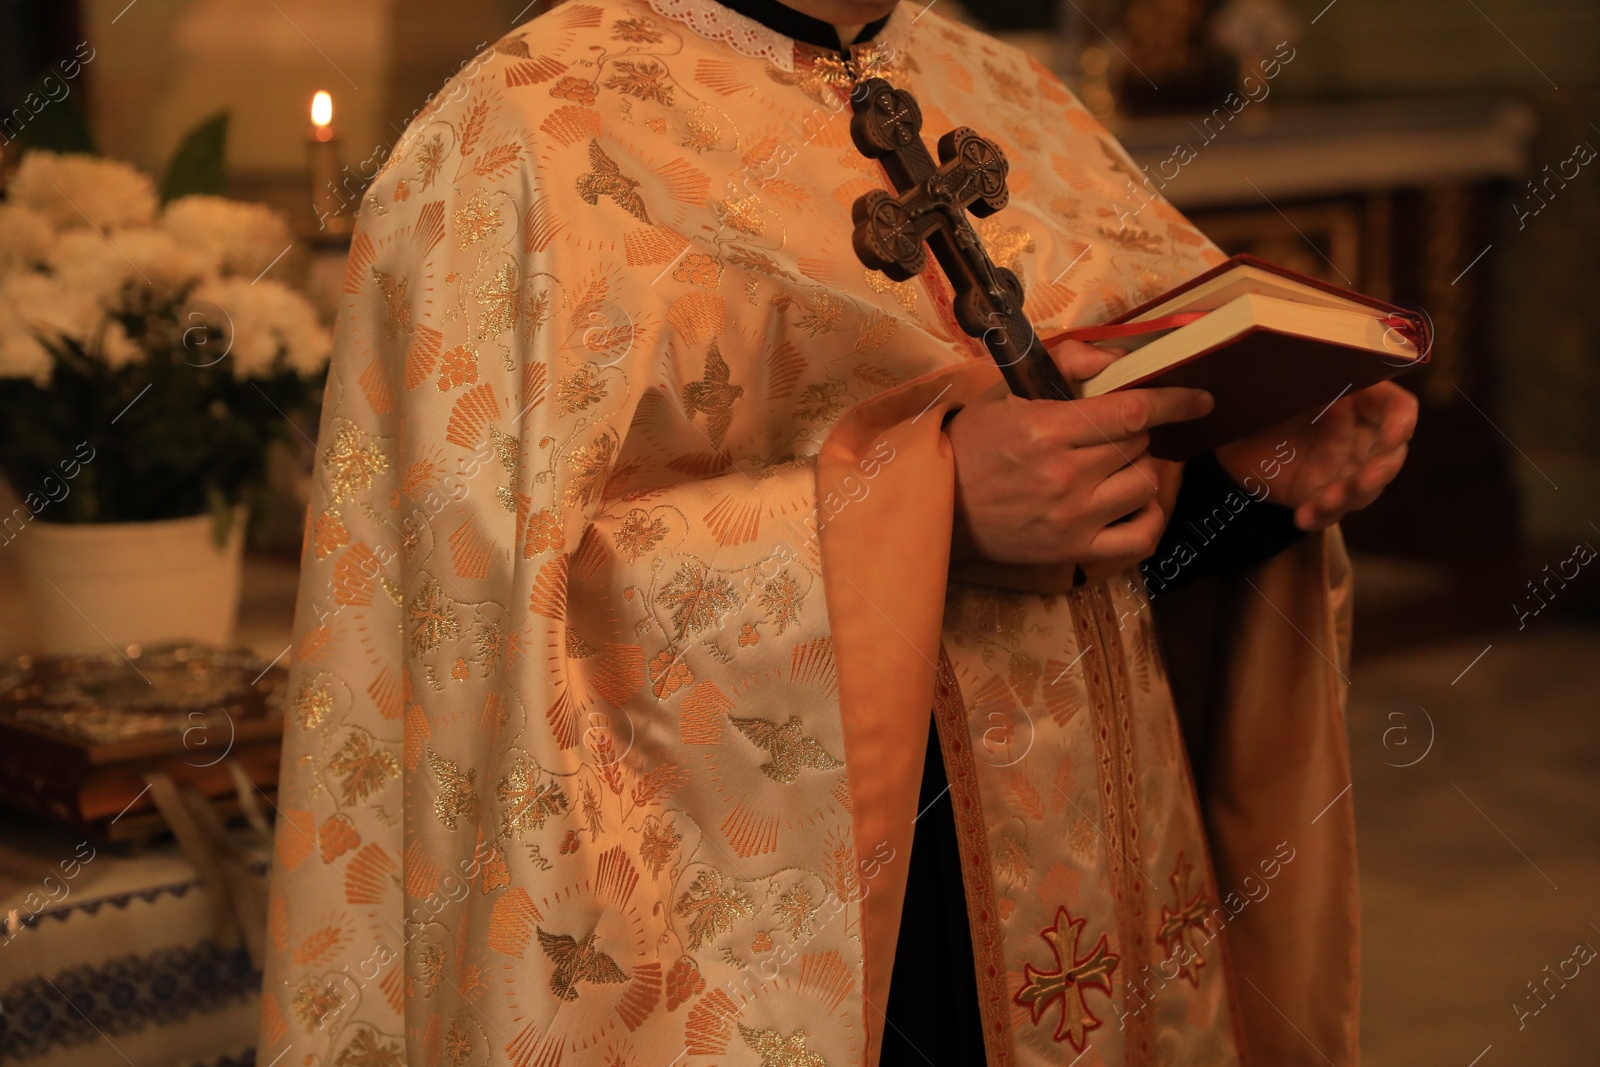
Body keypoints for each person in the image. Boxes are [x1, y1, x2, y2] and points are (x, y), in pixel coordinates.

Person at [258, 0, 1415, 1064]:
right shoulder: (516, 135)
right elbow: (487, 631)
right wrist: (925, 509)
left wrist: (1241, 467)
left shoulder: (989, 81)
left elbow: (1119, 513)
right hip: (850, 945)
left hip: (1104, 904)